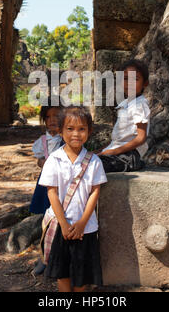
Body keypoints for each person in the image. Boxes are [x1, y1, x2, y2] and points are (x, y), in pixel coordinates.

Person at [39, 106, 107, 292]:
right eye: (70, 128)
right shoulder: (54, 159)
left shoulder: (94, 161)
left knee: (81, 275)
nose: (75, 134)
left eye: (81, 128)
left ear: (89, 131)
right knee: (63, 274)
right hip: (62, 227)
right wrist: (63, 224)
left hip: (86, 228)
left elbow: (95, 192)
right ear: (60, 131)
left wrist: (82, 222)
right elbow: (51, 193)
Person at [98, 59, 151, 173]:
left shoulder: (140, 104)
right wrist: (101, 151)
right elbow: (118, 139)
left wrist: (113, 152)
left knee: (92, 167)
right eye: (126, 79)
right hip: (118, 152)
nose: (129, 83)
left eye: (135, 79)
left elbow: (141, 138)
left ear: (145, 83)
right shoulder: (127, 103)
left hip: (128, 156)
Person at [29, 101, 63, 275]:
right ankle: (43, 257)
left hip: (63, 186)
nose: (52, 120)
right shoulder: (42, 141)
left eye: (56, 116)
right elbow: (39, 160)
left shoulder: (67, 137)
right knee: (46, 220)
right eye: (48, 117)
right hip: (46, 185)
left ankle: (57, 258)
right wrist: (42, 162)